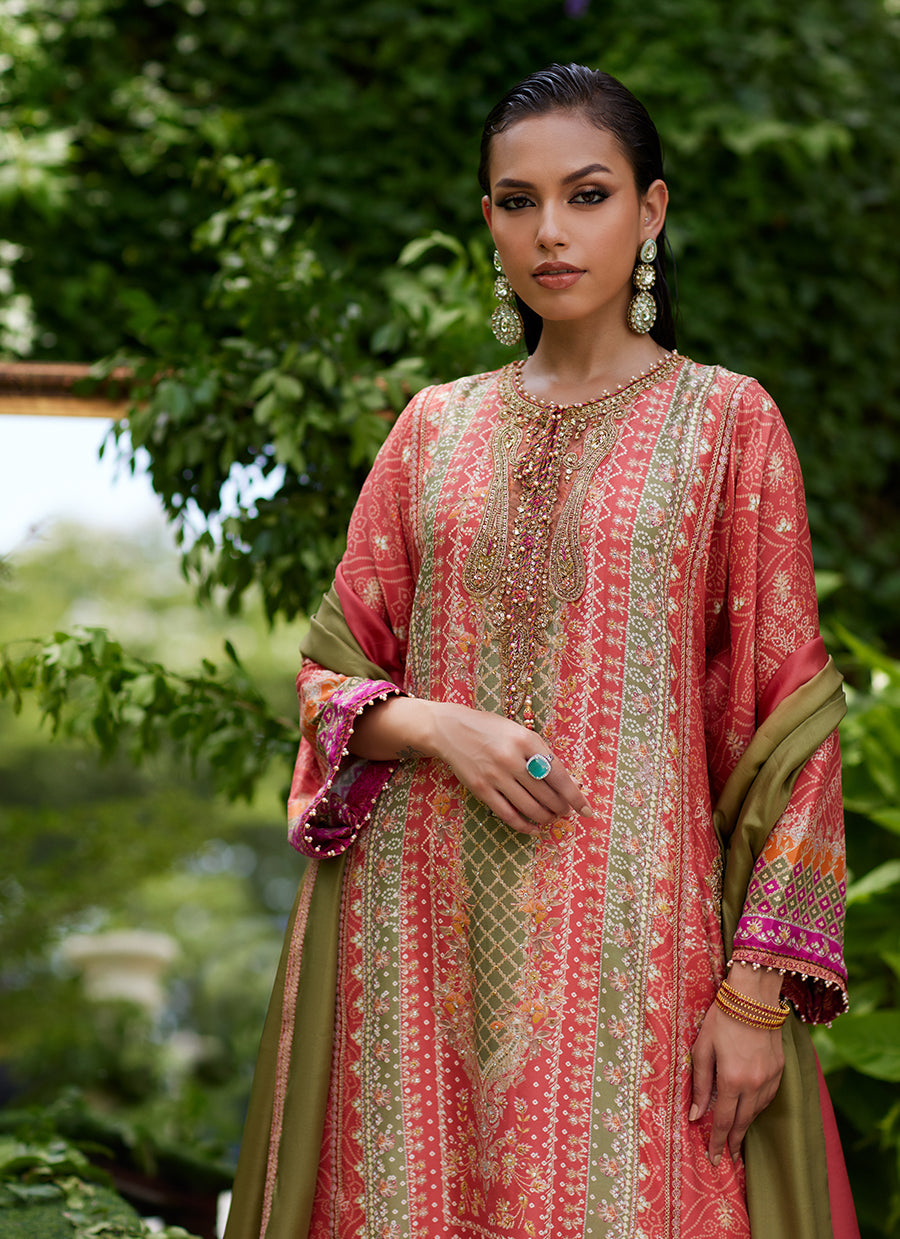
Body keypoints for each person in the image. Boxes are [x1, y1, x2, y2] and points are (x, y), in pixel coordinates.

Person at [224, 64, 858, 1239]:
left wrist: (757, 993)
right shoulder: (433, 428)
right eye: (518, 202)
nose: (551, 232)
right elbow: (330, 671)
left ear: (651, 211)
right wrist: (429, 724)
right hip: (409, 956)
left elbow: (791, 722)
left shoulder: (727, 424)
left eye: (588, 194)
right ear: (488, 223)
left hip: (630, 951)